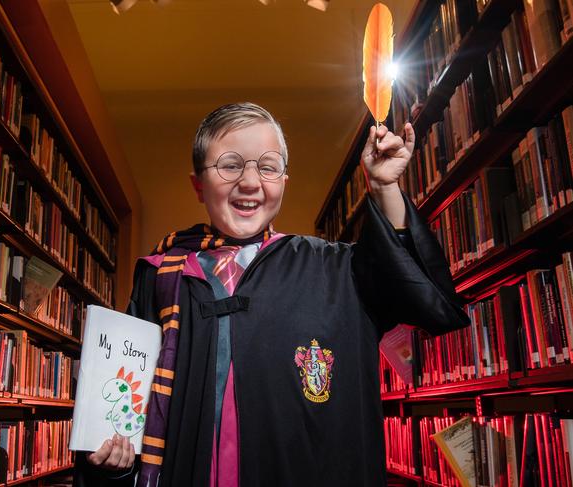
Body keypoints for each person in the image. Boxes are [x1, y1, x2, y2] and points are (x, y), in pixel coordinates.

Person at [73, 102, 469, 486]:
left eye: (267, 167)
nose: (249, 182)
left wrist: (385, 189)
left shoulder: (337, 270)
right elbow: (124, 410)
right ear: (198, 184)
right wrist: (112, 463)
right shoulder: (162, 277)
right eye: (229, 165)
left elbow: (427, 301)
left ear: (283, 181)